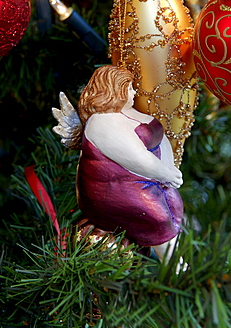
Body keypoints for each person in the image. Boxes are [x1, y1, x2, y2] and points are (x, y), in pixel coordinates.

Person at [75, 64, 183, 262]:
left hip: (148, 179)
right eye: (129, 88)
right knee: (157, 216)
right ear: (113, 89)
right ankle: (171, 265)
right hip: (117, 189)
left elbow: (161, 139)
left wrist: (169, 169)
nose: (134, 92)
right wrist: (164, 174)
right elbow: (135, 158)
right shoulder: (102, 122)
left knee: (173, 202)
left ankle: (174, 258)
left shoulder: (129, 114)